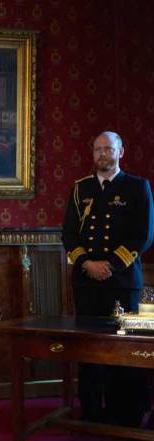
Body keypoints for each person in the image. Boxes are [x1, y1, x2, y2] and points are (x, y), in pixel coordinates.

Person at [62, 131, 154, 426]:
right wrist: (87, 263)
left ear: (120, 152)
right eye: (97, 149)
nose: (102, 154)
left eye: (108, 149)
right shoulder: (81, 189)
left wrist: (110, 266)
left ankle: (127, 413)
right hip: (87, 283)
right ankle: (91, 410)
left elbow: (144, 235)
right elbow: (68, 234)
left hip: (123, 283)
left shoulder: (137, 187)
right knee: (89, 348)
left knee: (124, 348)